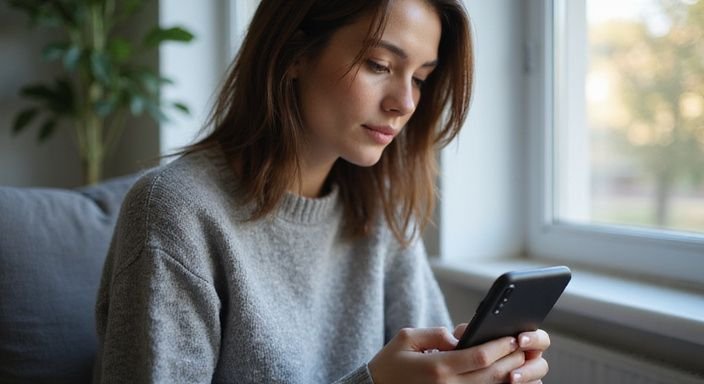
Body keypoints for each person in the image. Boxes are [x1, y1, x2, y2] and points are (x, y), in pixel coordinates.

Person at [94, 0, 552, 383]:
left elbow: (430, 362)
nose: (405, 103)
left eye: (420, 78)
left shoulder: (380, 210)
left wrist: (480, 370)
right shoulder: (175, 212)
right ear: (294, 53)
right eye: (379, 65)